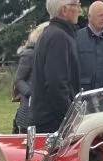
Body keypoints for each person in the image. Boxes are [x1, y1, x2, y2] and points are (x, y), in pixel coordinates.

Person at [30, 0, 81, 133]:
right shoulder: (59, 37)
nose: (80, 10)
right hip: (54, 121)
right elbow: (56, 84)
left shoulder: (49, 33)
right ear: (64, 10)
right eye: (76, 5)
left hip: (48, 118)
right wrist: (71, 118)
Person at [12, 22, 47, 133]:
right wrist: (31, 93)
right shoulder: (29, 55)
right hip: (28, 108)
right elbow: (18, 79)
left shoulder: (49, 54)